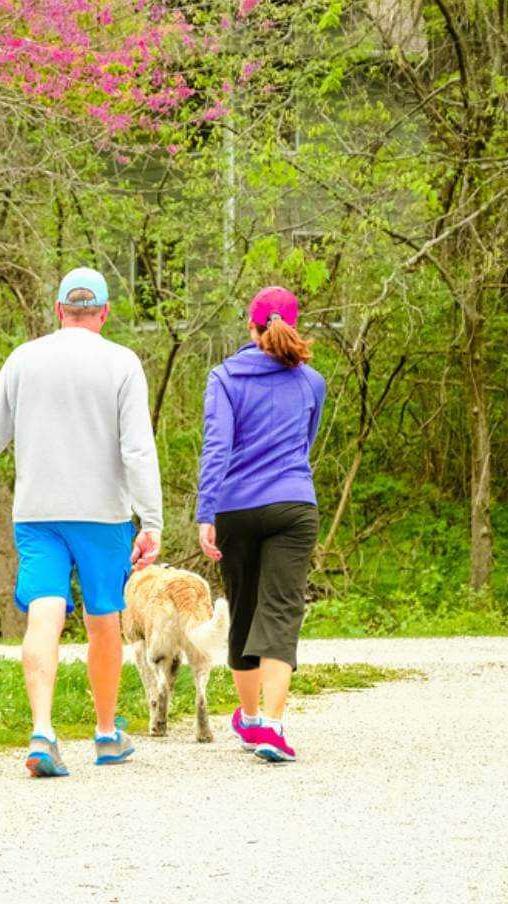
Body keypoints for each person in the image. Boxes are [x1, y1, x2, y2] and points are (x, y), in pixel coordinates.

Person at [0, 266, 163, 778]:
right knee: (104, 621)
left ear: (58, 310)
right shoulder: (122, 363)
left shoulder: (24, 359)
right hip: (104, 517)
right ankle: (104, 734)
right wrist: (152, 521)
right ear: (103, 313)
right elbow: (138, 449)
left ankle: (42, 731)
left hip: (38, 515)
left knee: (43, 613)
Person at [195, 286, 325, 764]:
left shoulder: (224, 377)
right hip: (293, 503)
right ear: (293, 325)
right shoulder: (312, 381)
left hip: (236, 506)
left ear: (250, 327)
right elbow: (304, 443)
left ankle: (249, 721)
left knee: (245, 608)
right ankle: (272, 725)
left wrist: (206, 512)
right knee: (281, 610)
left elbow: (217, 448)